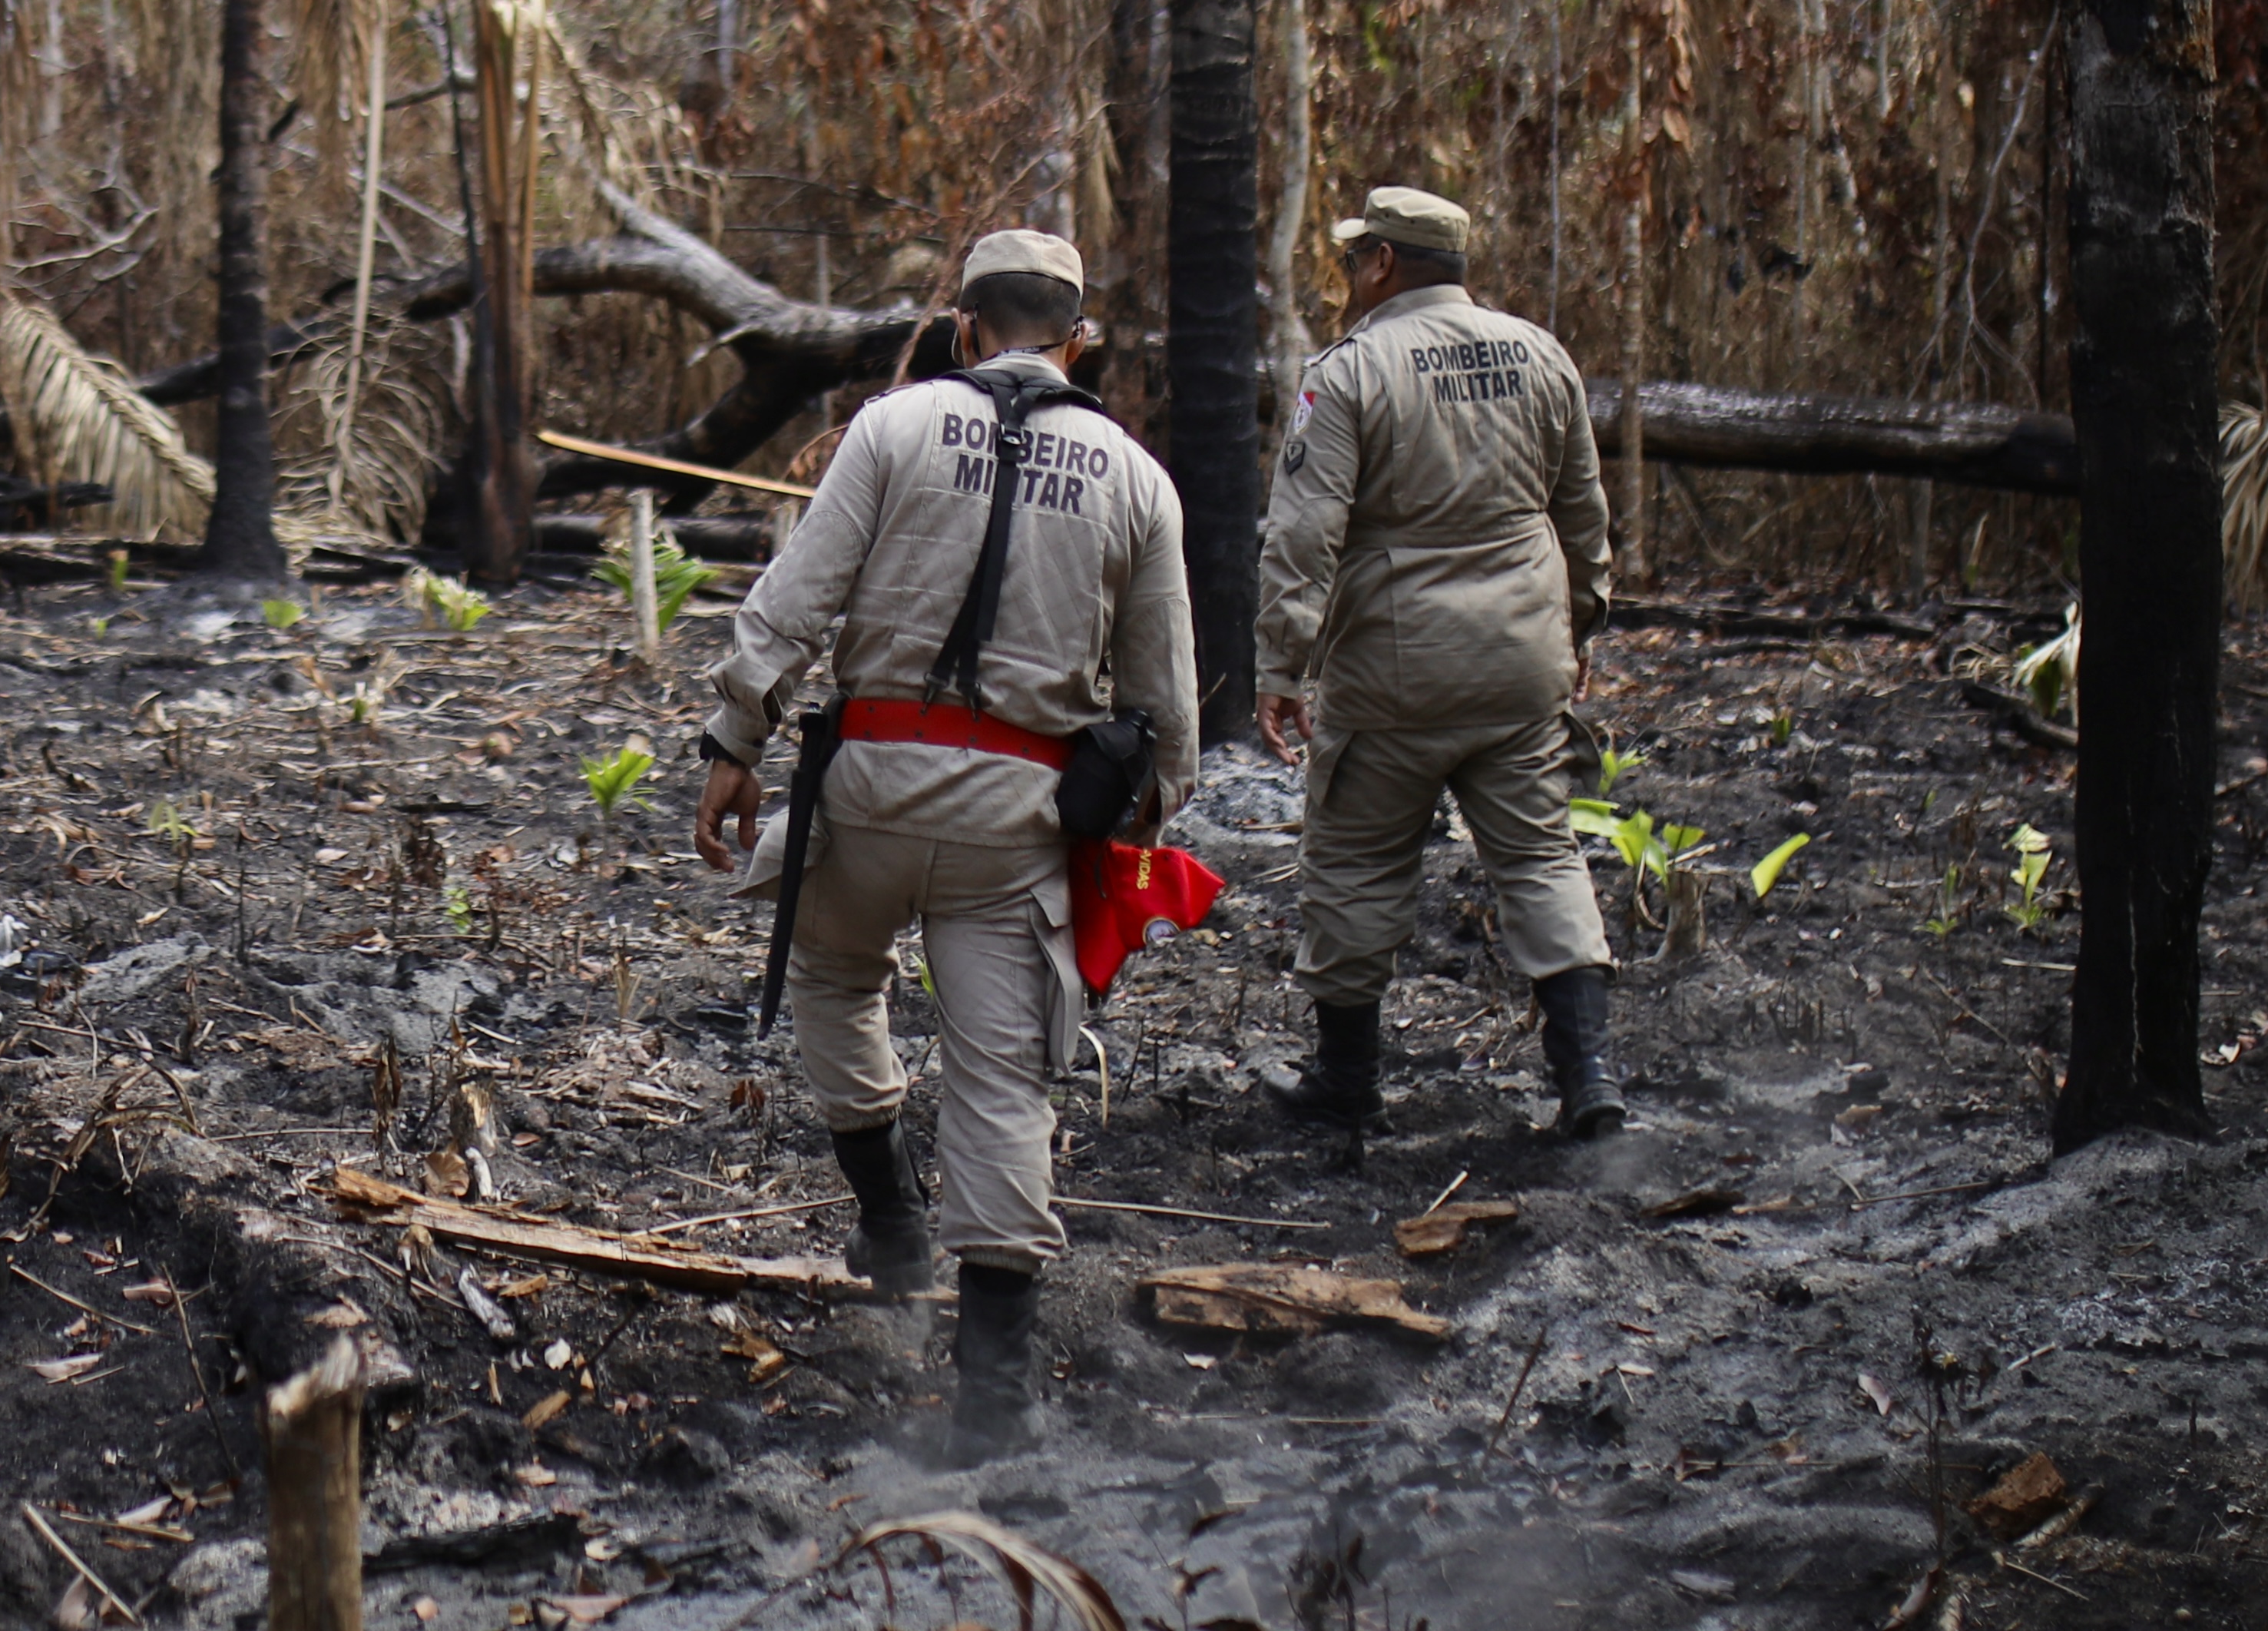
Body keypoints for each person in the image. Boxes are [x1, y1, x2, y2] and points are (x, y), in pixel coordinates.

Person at [693, 228, 1197, 1455]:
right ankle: (992, 1396)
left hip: (865, 789)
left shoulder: (892, 426)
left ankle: (890, 1218)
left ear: (963, 326)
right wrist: (1151, 808)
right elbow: (1165, 702)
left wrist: (732, 739)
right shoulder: (1136, 478)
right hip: (1015, 824)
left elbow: (796, 596)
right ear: (1078, 342)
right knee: (1002, 1077)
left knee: (829, 970)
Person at [1253, 184, 1624, 1139]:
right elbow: (1581, 510)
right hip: (1519, 663)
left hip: (1394, 673)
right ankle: (1586, 1077)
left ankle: (1345, 1081)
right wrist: (1581, 624)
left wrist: (1281, 664)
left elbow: (1303, 533)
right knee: (1541, 855)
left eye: (1350, 258)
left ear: (1381, 262)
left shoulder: (1347, 373)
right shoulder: (1540, 353)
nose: (1343, 277)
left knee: (1353, 864)